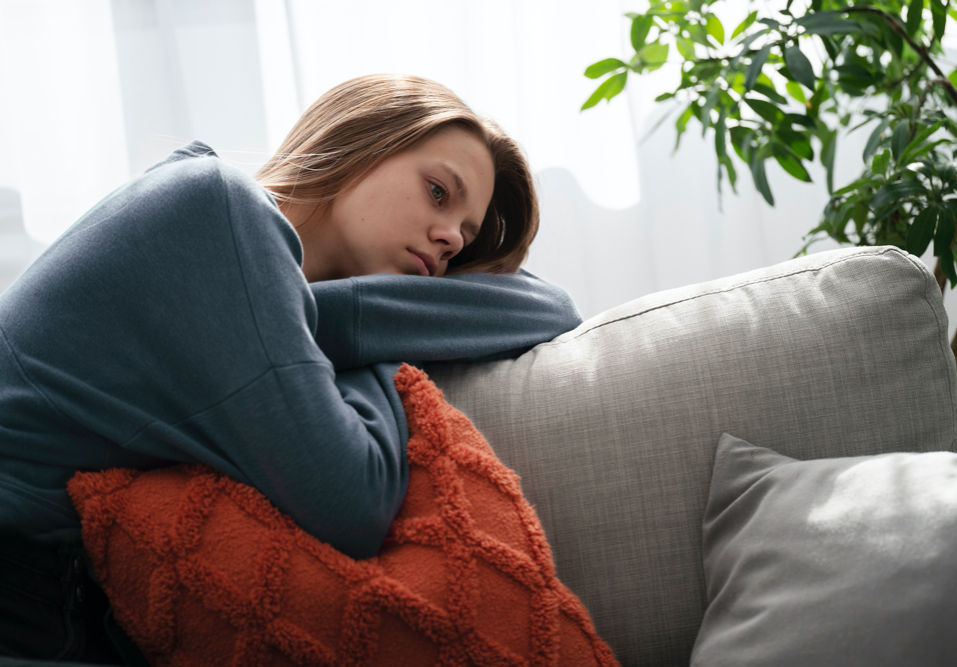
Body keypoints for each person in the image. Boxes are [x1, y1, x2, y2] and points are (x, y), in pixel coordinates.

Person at [0, 73, 581, 663]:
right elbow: (352, 500)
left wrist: (318, 318)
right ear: (361, 143)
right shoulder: (215, 206)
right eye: (438, 192)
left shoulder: (247, 269)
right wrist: (377, 343)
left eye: (464, 237)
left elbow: (547, 304)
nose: (449, 236)